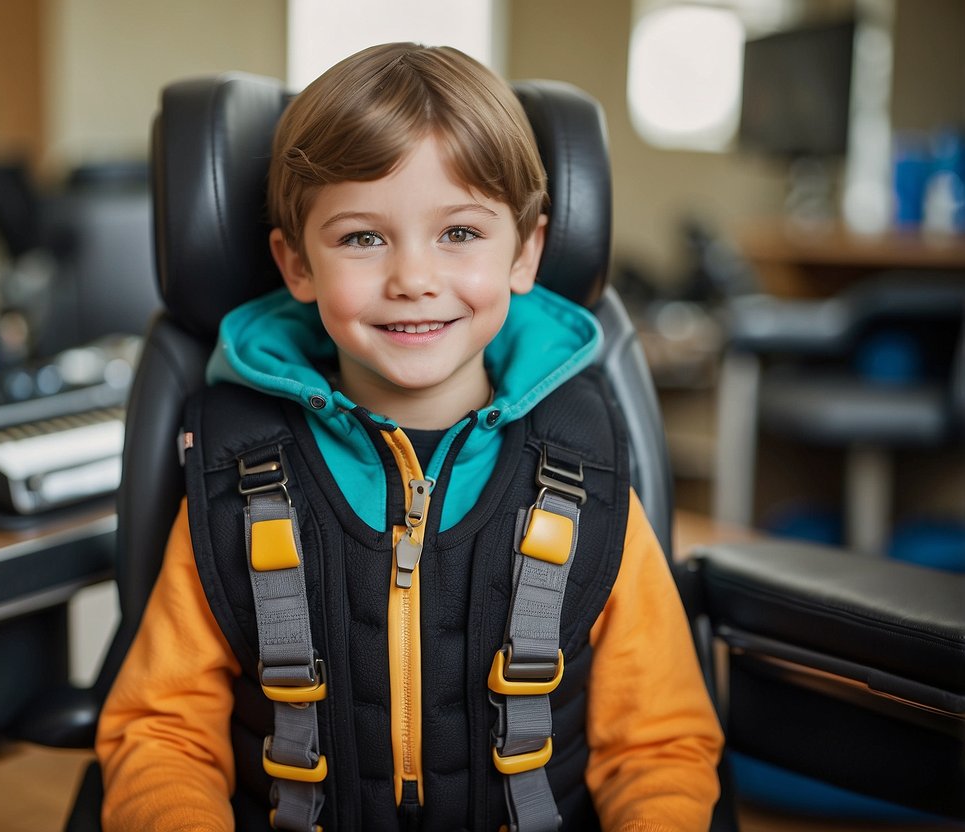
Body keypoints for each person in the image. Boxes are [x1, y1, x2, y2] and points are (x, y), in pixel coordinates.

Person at [96, 42, 723, 831]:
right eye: (362, 238)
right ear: (295, 266)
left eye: (459, 233)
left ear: (524, 252)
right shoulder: (238, 473)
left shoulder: (584, 470)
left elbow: (658, 746)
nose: (412, 278)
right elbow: (161, 735)